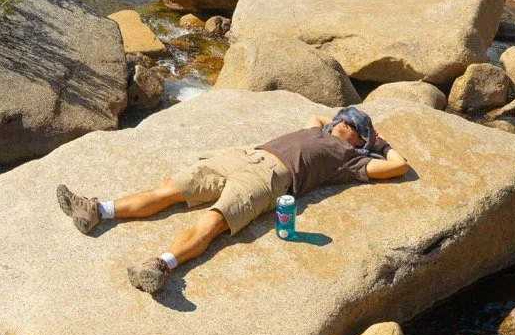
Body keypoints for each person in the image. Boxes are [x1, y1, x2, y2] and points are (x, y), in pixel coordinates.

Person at [56, 106, 409, 294]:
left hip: (269, 178)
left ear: (357, 135)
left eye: (348, 120)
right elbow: (318, 116)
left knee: (213, 221)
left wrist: (378, 143)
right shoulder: (318, 128)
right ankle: (97, 211)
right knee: (168, 190)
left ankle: (160, 266)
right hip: (242, 155)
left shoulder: (351, 159)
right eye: (342, 115)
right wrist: (338, 120)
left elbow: (399, 167)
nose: (340, 119)